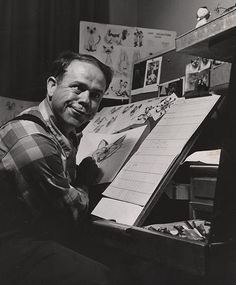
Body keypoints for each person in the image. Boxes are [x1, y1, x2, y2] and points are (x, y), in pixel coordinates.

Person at [0, 51, 114, 285]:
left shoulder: (64, 132)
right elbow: (67, 216)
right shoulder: (30, 136)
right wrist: (85, 179)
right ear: (52, 86)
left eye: (95, 95)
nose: (85, 100)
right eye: (77, 88)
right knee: (102, 276)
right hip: (9, 245)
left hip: (28, 238)